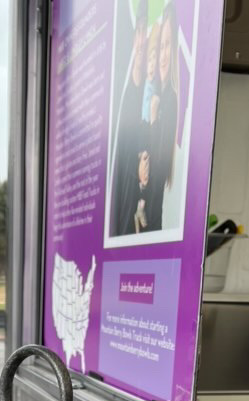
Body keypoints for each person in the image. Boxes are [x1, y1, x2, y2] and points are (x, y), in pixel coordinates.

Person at [109, 0, 148, 238]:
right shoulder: (120, 100)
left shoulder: (150, 103)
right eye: (139, 32)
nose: (142, 42)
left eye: (146, 32)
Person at [142, 2, 179, 233]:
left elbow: (159, 162)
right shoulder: (160, 96)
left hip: (155, 215)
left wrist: (154, 118)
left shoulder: (170, 100)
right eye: (160, 47)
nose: (162, 56)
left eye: (167, 46)